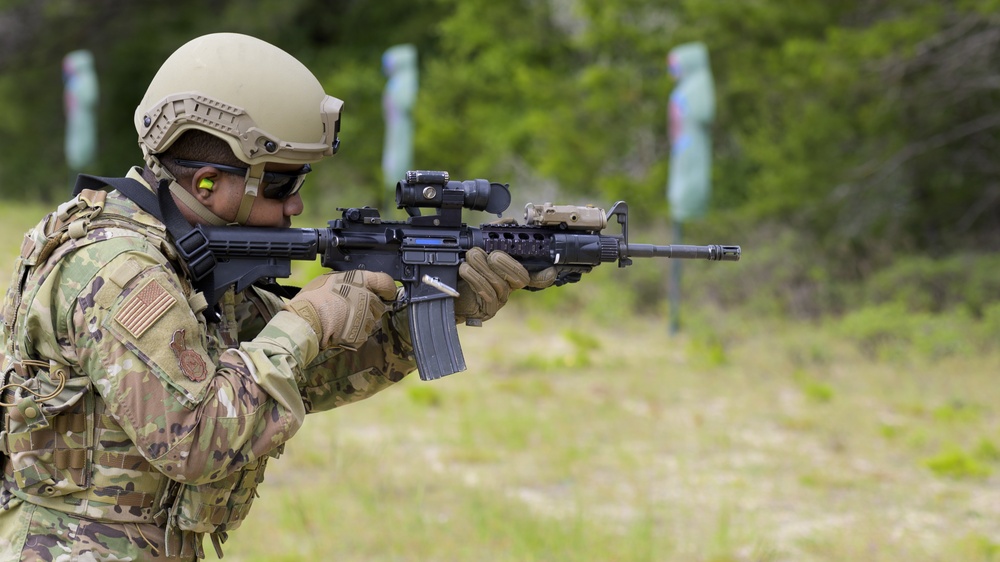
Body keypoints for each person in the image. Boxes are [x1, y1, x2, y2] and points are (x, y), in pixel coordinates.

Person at [0, 32, 540, 560]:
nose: (297, 206)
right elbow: (195, 439)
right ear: (208, 182)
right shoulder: (120, 271)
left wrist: (430, 308)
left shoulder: (183, 256)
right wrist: (307, 318)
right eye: (282, 185)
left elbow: (295, 378)